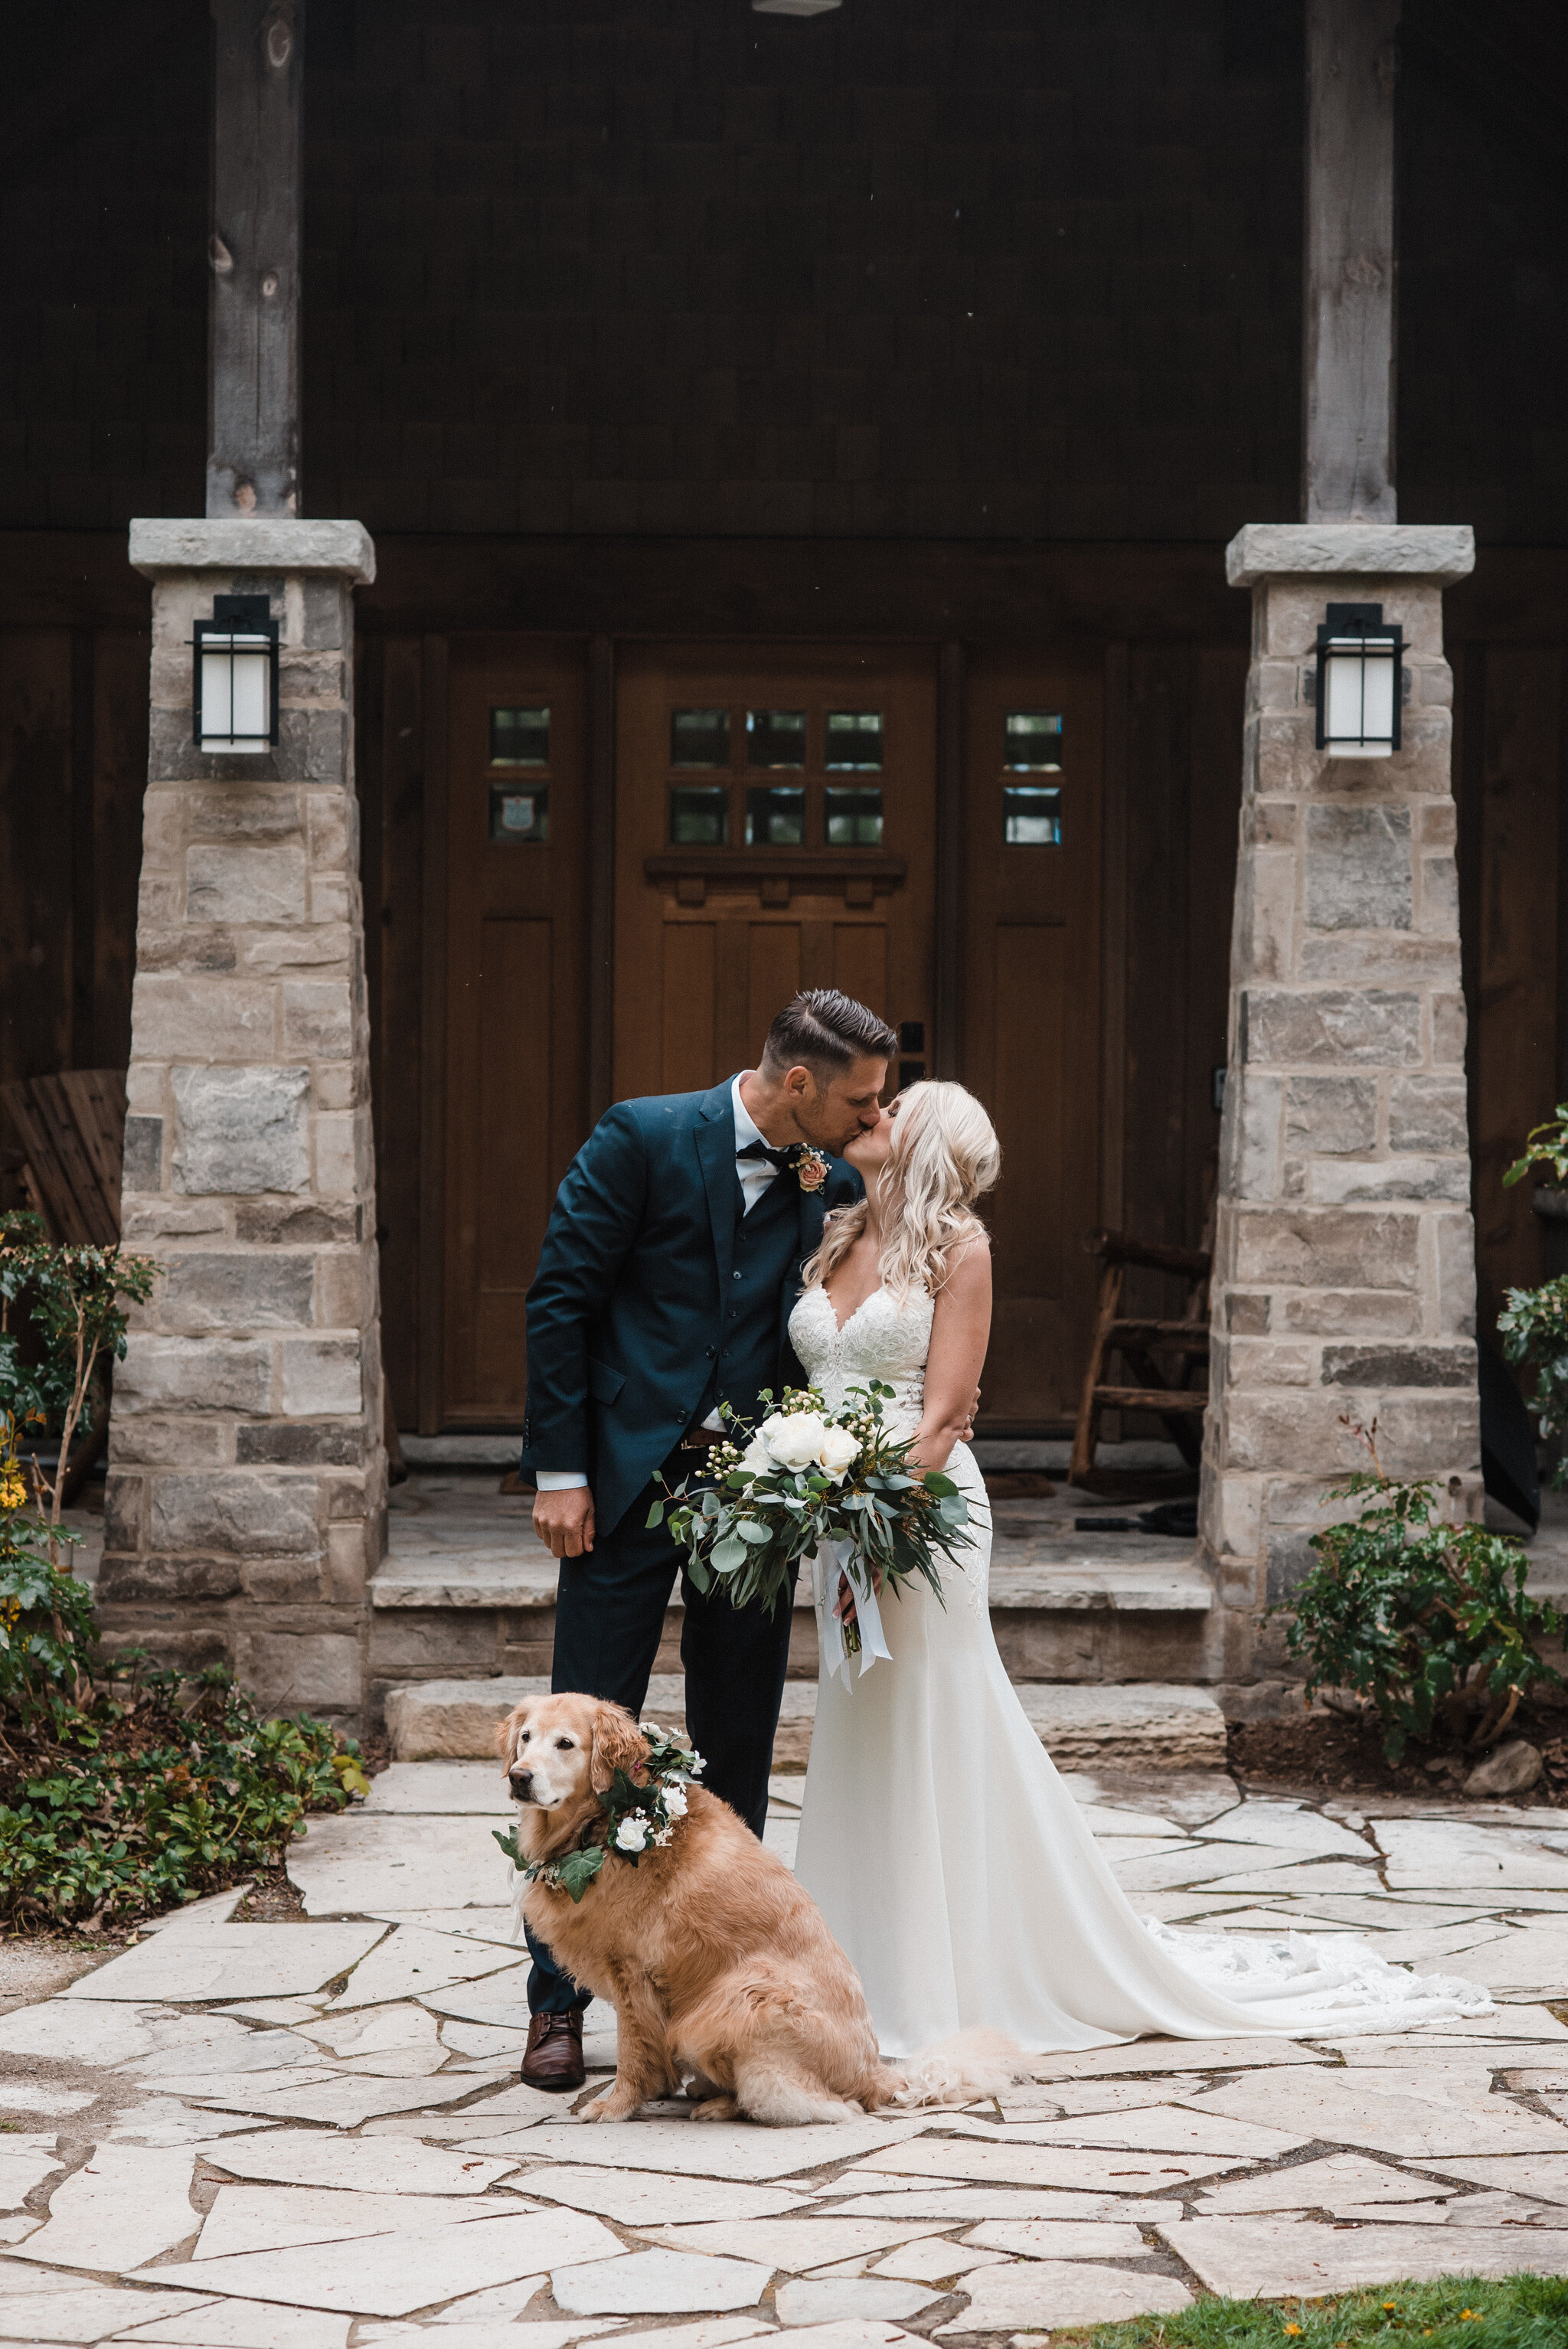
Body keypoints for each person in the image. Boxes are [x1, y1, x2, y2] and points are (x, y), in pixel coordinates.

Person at [792, 1080, 1489, 2053]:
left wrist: (868, 1507)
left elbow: (946, 1417)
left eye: (899, 1104)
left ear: (930, 1144)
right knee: (859, 1712)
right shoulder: (832, 1233)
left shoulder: (961, 1251)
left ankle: (943, 1971)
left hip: (917, 1513)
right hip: (841, 1514)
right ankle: (852, 1958)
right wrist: (808, 1493)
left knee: (930, 1710)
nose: (876, 1110)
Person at [515, 988, 896, 2089]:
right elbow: (563, 1300)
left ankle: (706, 2003)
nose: (873, 1119)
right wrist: (563, 1468)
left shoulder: (839, 1175)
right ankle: (558, 2007)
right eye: (859, 1099)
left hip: (756, 1498)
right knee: (575, 1751)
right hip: (623, 1486)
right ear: (796, 1086)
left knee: (735, 1746)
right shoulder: (643, 1135)